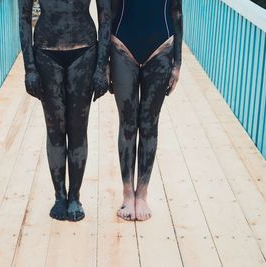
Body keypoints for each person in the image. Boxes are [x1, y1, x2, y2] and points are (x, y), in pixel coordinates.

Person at [19, 0, 110, 221]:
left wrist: (101, 67)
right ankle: (60, 196)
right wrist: (29, 67)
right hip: (45, 52)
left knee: (78, 129)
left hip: (84, 51)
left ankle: (75, 196)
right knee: (55, 129)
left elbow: (105, 17)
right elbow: (23, 18)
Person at [110, 0, 183, 221]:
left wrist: (177, 62)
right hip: (122, 45)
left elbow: (176, 12)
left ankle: (142, 194)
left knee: (149, 124)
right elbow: (108, 12)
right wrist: (104, 60)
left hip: (161, 47)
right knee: (128, 124)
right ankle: (126, 193)